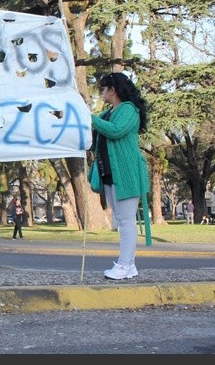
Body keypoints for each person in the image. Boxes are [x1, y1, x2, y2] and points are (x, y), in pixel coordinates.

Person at [88, 72, 150, 280]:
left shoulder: (128, 110)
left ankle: (124, 265)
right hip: (109, 173)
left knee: (125, 221)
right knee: (122, 220)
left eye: (104, 89)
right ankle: (128, 265)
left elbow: (115, 131)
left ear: (112, 90)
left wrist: (90, 118)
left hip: (126, 173)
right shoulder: (108, 113)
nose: (102, 93)